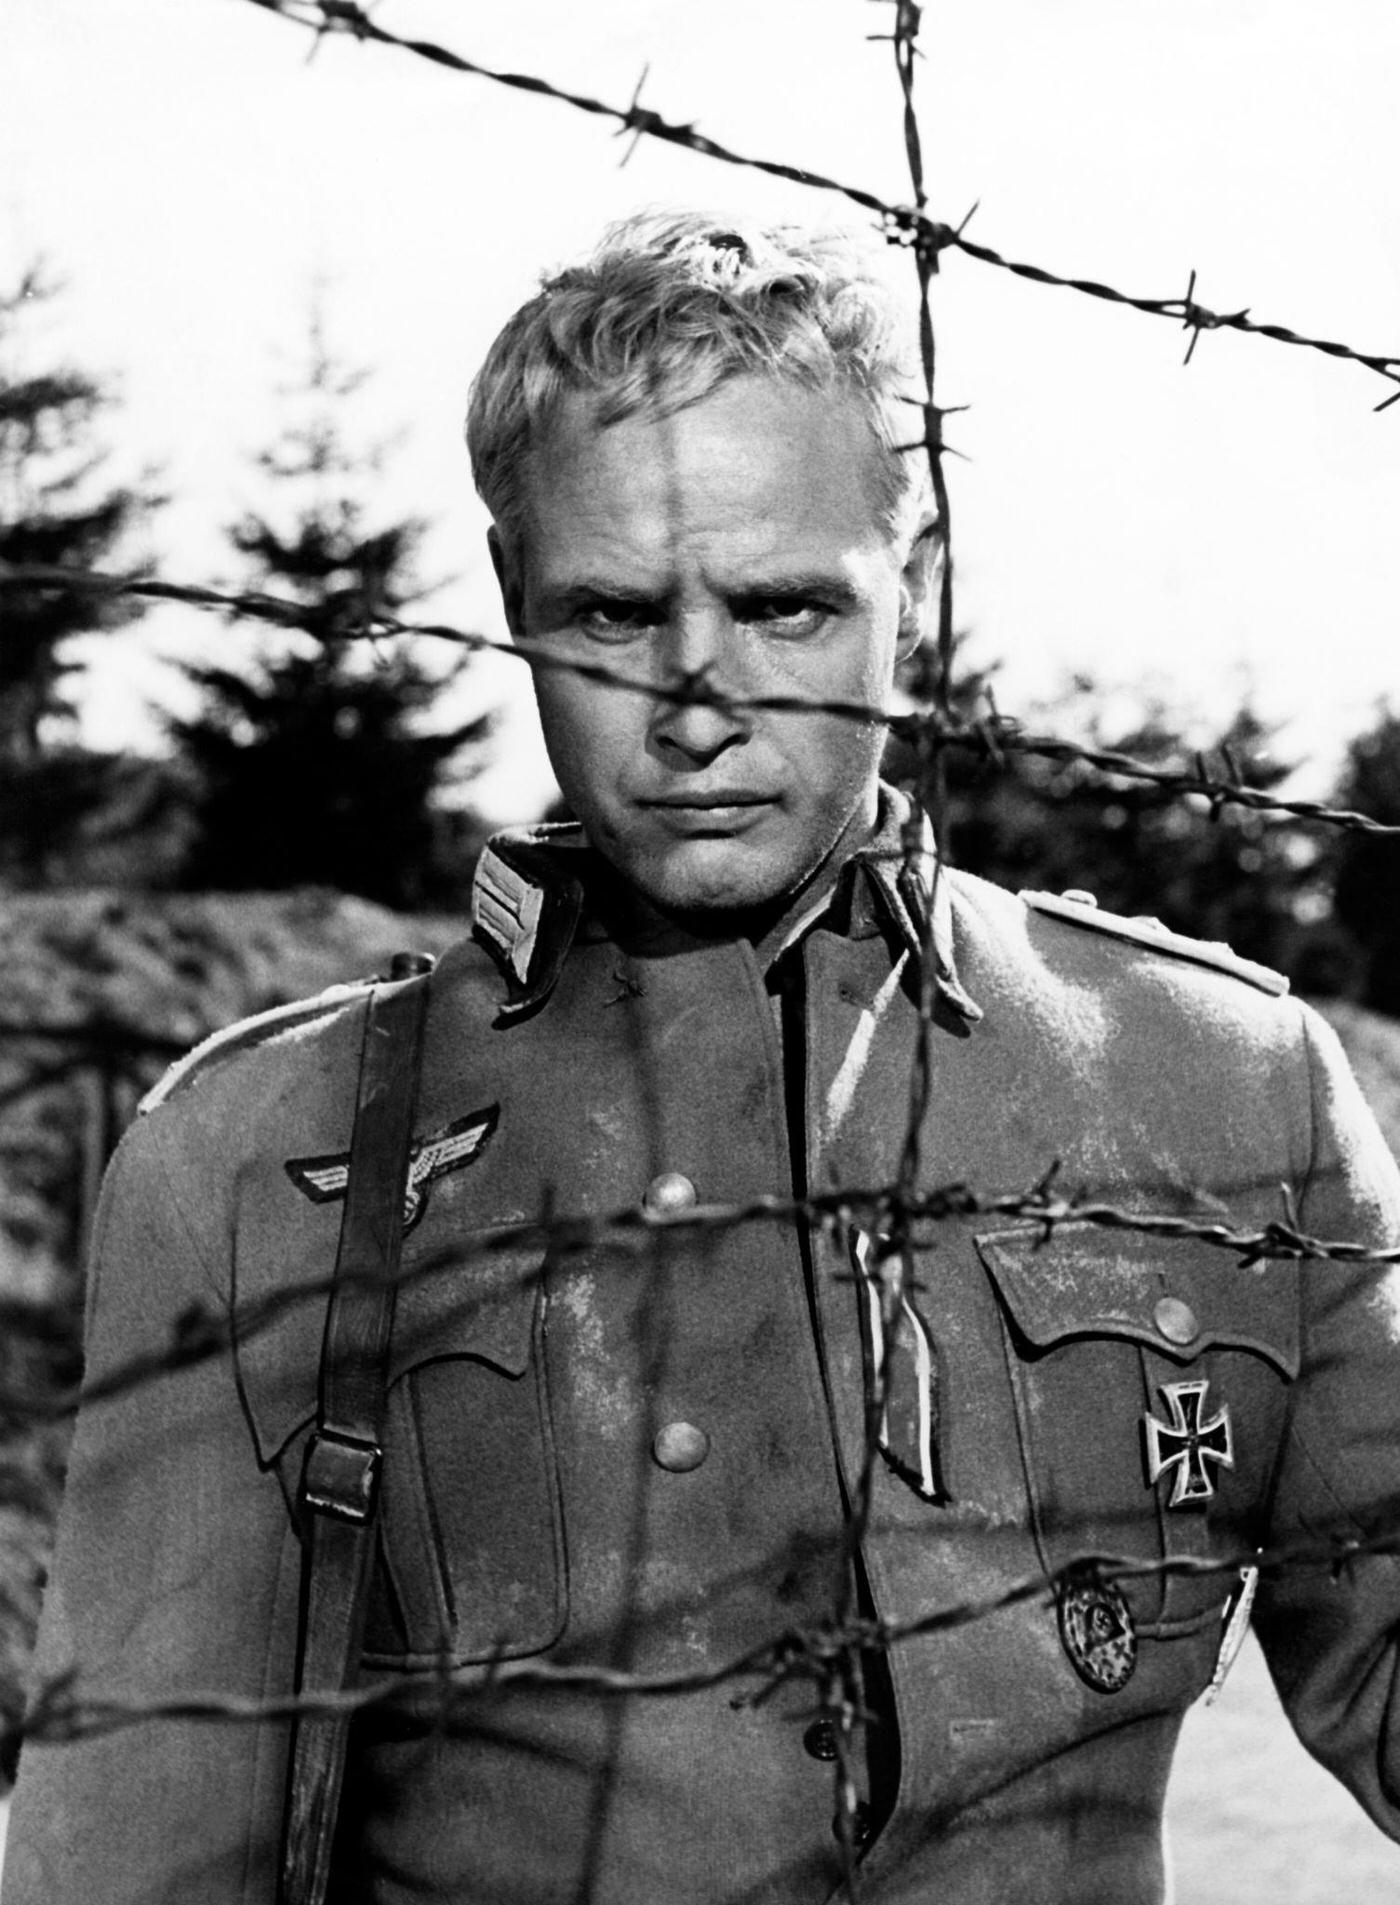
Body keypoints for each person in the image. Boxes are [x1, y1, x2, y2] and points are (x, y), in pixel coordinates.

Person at [7, 211, 1400, 1905]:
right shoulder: (266, 1154)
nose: (697, 696)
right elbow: (135, 1860)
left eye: (784, 605)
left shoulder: (1224, 1085)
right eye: (609, 613)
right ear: (510, 604)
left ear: (922, 578)